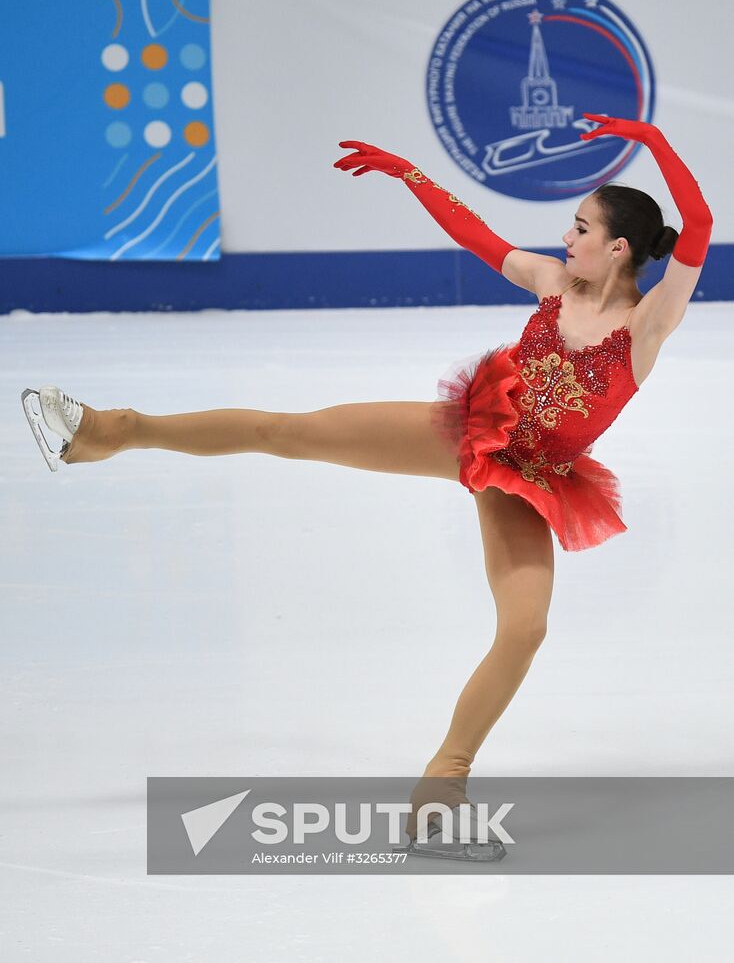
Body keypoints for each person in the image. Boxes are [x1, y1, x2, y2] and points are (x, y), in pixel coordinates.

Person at [21, 113, 712, 858]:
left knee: (525, 628)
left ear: (619, 247)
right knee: (294, 432)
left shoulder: (648, 323)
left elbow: (699, 222)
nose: (564, 239)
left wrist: (652, 141)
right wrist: (408, 174)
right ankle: (113, 431)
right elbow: (474, 234)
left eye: (580, 228)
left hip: (531, 481)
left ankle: (440, 792)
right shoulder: (553, 283)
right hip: (473, 430)